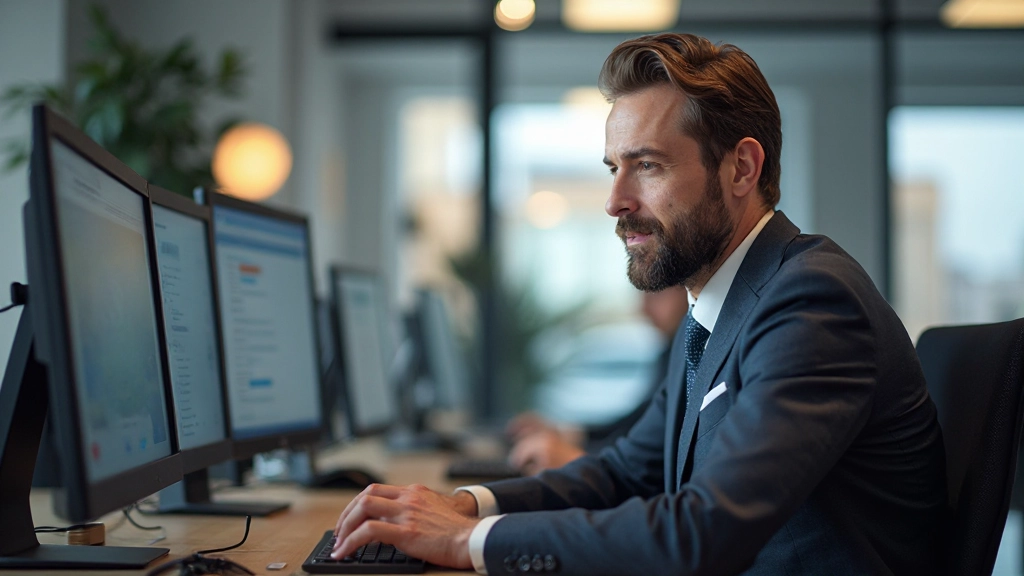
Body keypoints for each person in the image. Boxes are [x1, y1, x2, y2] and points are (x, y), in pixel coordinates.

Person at [329, 33, 947, 575]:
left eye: (646, 166)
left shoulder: (811, 303)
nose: (615, 201)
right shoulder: (713, 308)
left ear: (741, 168)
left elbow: (703, 533)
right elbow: (627, 471)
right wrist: (467, 505)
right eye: (613, 169)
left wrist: (469, 541)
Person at [506, 286, 689, 475]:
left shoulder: (687, 358)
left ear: (688, 290)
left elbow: (649, 456)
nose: (643, 309)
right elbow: (636, 428)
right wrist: (567, 434)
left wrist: (578, 460)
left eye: (656, 295)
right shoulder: (671, 352)